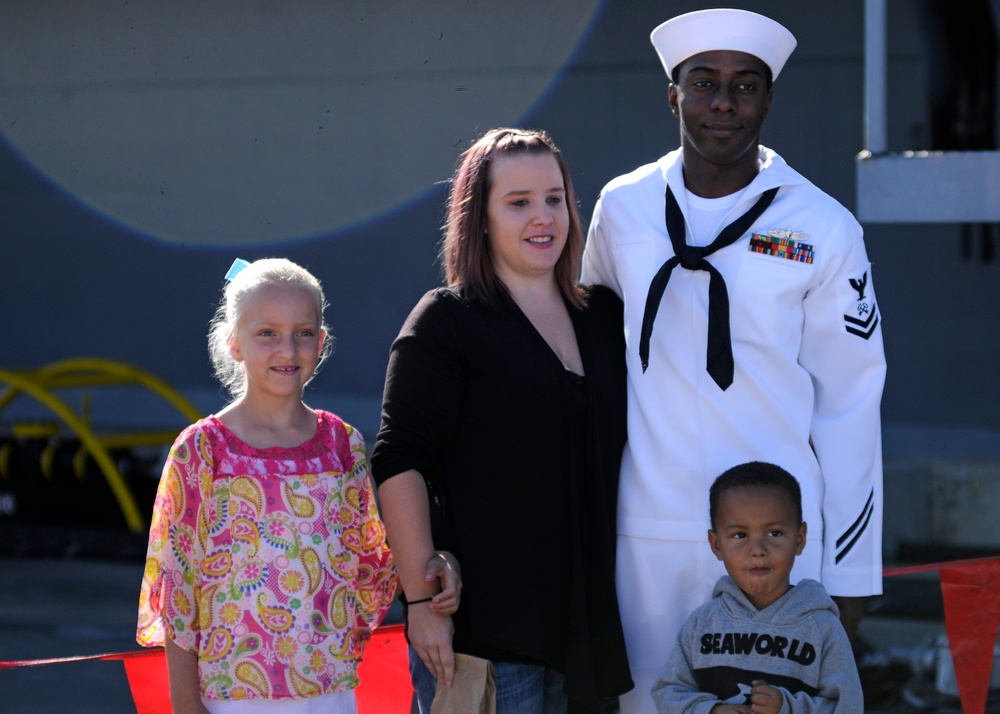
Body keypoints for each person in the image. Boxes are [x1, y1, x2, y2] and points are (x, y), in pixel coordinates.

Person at [580, 9, 886, 712]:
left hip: (772, 549)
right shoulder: (623, 208)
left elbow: (851, 400)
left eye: (746, 86)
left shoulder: (820, 225)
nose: (724, 103)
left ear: (769, 99)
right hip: (645, 532)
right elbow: (590, 347)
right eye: (704, 83)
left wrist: (850, 570)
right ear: (672, 94)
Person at [371, 128, 634, 713]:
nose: (542, 217)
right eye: (517, 202)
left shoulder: (604, 316)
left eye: (554, 198)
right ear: (480, 218)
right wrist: (419, 605)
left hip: (586, 640)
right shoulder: (447, 321)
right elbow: (398, 459)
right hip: (483, 639)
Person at [136, 257, 458, 714]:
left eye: (303, 332)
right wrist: (187, 704)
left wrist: (434, 564)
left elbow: (371, 564)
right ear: (234, 343)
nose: (287, 349)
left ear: (321, 343)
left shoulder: (341, 445)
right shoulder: (202, 451)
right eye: (266, 332)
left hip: (329, 696)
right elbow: (176, 586)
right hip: (231, 698)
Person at [651, 462, 863, 713]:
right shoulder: (703, 623)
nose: (758, 551)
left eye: (774, 533)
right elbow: (668, 692)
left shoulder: (822, 629)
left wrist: (787, 708)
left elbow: (847, 706)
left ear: (800, 538)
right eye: (740, 535)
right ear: (716, 545)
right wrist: (711, 711)